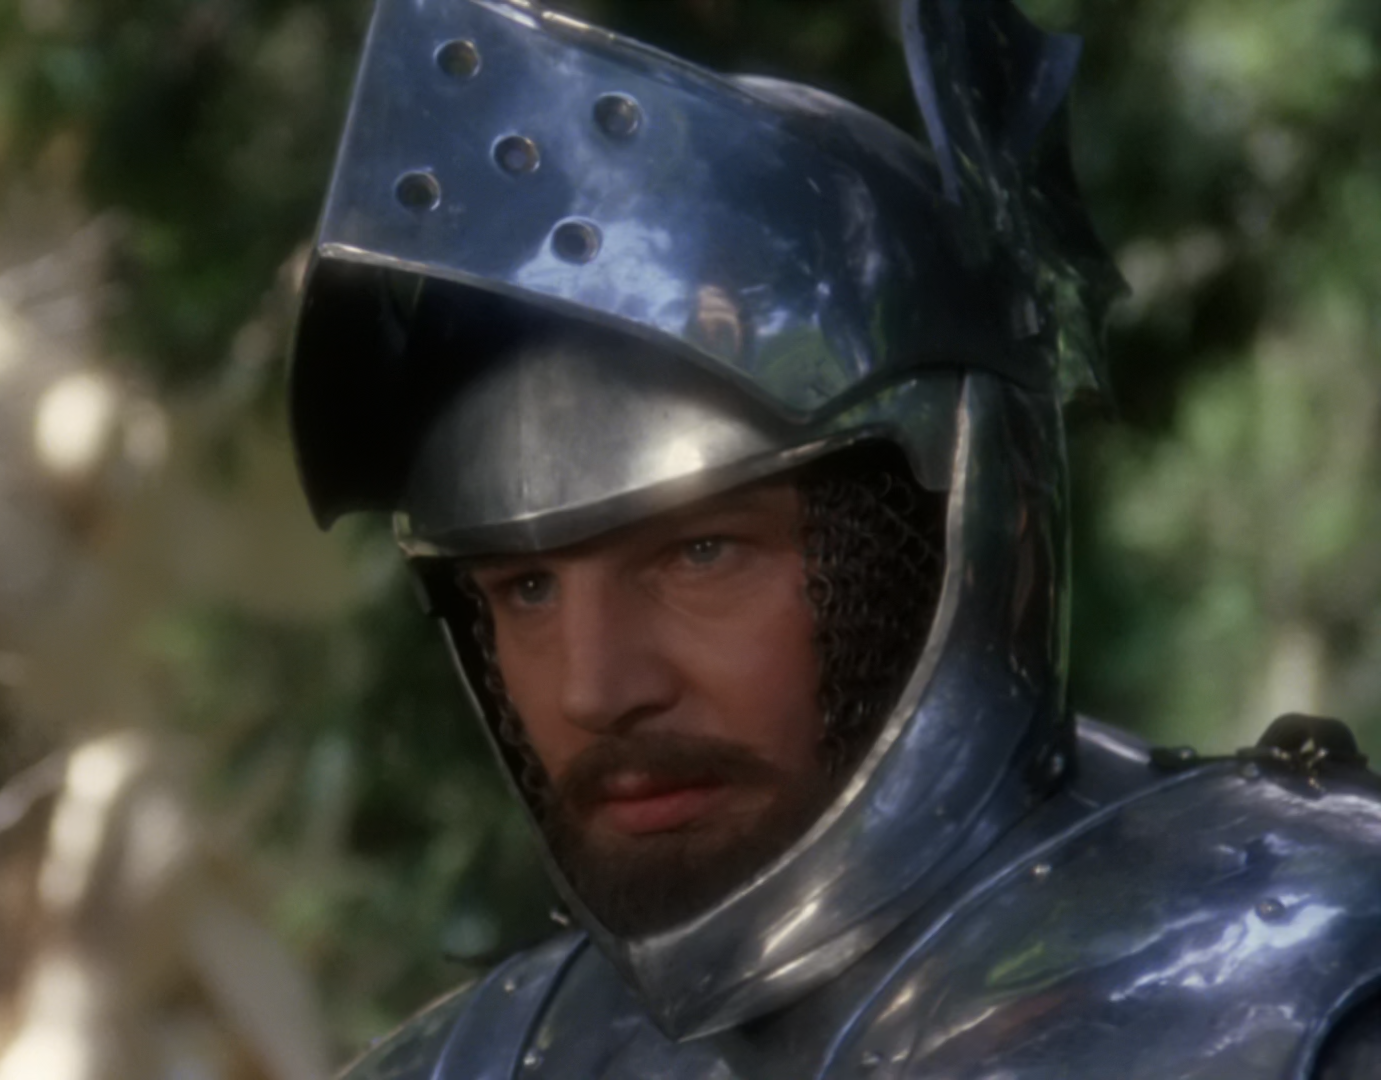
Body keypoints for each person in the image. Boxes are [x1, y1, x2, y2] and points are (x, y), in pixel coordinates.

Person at [286, 0, 1381, 1075]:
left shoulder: (1305, 983)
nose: (595, 691)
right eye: (525, 588)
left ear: (951, 525)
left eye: (699, 554)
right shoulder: (470, 1063)